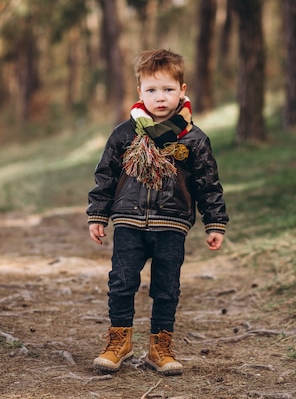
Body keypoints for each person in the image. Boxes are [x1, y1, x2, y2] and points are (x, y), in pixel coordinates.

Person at [87, 48, 229, 376]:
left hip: (171, 223)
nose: (160, 97)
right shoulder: (125, 134)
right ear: (140, 92)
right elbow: (106, 175)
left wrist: (215, 222)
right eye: (151, 90)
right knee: (121, 282)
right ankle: (118, 341)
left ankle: (160, 347)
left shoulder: (194, 139)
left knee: (167, 287)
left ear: (182, 90)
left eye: (167, 89)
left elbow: (209, 184)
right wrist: (98, 214)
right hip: (129, 222)